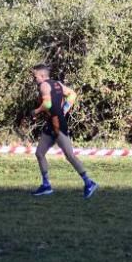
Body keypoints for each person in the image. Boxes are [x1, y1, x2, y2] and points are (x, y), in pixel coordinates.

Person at [29, 64, 99, 197]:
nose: (34, 78)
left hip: (57, 125)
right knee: (39, 153)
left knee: (70, 156)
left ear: (43, 76)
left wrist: (35, 111)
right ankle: (46, 186)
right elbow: (72, 94)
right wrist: (65, 109)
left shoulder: (43, 85)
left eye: (35, 76)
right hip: (52, 123)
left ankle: (89, 183)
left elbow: (47, 104)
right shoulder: (58, 84)